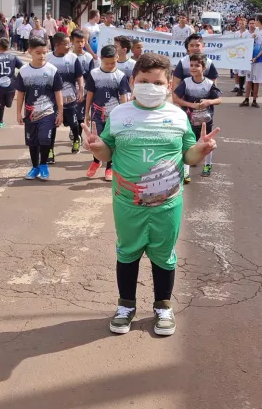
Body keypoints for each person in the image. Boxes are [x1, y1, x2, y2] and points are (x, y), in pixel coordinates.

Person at [81, 52, 218, 337]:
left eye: (157, 82)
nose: (150, 87)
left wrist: (201, 150)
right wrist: (96, 148)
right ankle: (126, 306)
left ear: (168, 85)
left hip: (167, 203)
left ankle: (163, 307)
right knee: (128, 251)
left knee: (164, 254)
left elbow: (188, 156)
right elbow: (107, 151)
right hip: (127, 201)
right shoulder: (119, 114)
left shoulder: (178, 116)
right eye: (144, 81)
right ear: (132, 81)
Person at [15, 36, 64, 181]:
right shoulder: (24, 71)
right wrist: (18, 112)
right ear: (30, 51)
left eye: (44, 52)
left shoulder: (52, 70)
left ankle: (43, 165)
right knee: (32, 141)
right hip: (30, 113)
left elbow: (58, 92)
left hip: (48, 112)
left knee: (44, 138)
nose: (42, 56)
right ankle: (35, 166)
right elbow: (21, 93)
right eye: (38, 53)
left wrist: (60, 112)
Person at [84, 45, 130, 180]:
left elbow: (123, 97)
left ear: (117, 58)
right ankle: (96, 161)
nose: (110, 65)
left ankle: (109, 167)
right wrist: (86, 112)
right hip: (97, 114)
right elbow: (90, 94)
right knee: (95, 138)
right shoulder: (94, 74)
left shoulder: (120, 76)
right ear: (101, 59)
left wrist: (125, 115)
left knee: (110, 141)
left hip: (114, 116)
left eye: (113, 62)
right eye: (107, 63)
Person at [173, 53, 222, 179]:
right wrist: (190, 105)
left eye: (197, 65)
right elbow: (175, 98)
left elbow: (219, 99)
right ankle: (186, 171)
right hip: (188, 120)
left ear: (204, 68)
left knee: (207, 141)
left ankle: (208, 165)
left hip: (206, 120)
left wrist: (209, 102)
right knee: (189, 142)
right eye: (191, 65)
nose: (193, 68)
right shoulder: (186, 82)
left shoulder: (209, 83)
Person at [47, 32, 86, 160]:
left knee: (74, 123)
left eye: (69, 43)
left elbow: (79, 75)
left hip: (70, 99)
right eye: (66, 44)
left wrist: (80, 90)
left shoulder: (73, 58)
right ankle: (50, 151)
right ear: (57, 45)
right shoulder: (48, 58)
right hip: (52, 101)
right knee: (52, 125)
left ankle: (76, 138)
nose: (69, 46)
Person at [0, 37, 24, 128]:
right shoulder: (13, 57)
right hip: (11, 84)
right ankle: (0, 122)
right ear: (8, 47)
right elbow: (23, 68)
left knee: (6, 104)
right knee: (6, 104)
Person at [239, 14, 262, 108]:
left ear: (259, 21)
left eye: (255, 20)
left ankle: (254, 100)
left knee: (256, 81)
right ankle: (246, 99)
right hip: (250, 58)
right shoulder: (256, 30)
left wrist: (257, 57)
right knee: (248, 80)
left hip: (259, 59)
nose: (254, 22)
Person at [232, 17, 252, 95]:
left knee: (242, 72)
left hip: (244, 55)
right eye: (240, 24)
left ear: (245, 24)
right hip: (236, 54)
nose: (241, 25)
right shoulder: (236, 33)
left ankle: (242, 86)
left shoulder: (248, 33)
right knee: (236, 71)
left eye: (243, 23)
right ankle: (236, 86)